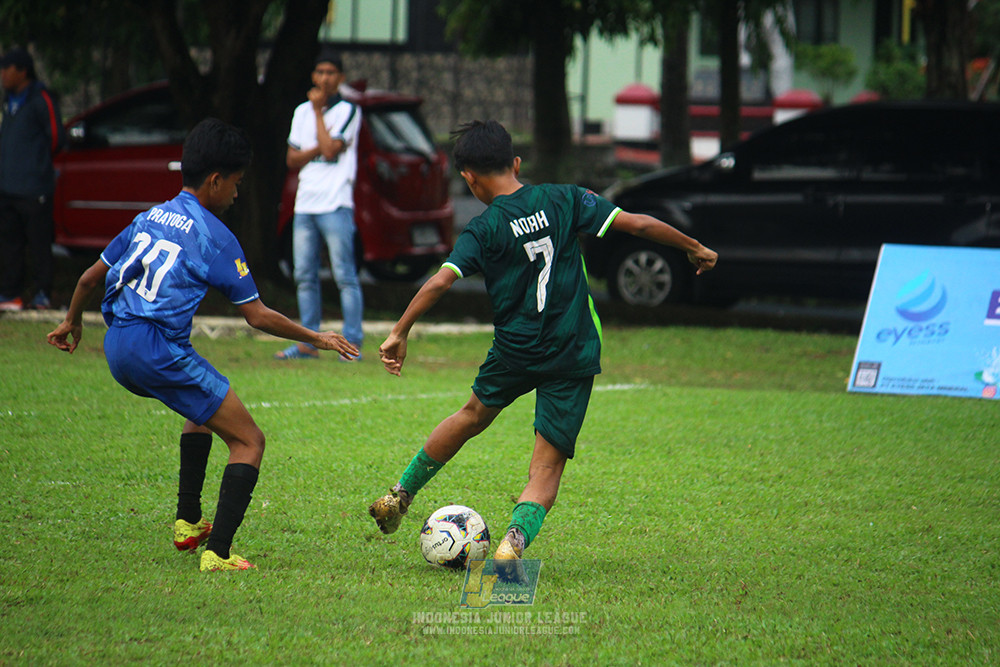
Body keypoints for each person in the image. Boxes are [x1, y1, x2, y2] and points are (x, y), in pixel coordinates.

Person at [368, 120, 718, 579]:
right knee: (546, 465)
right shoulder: (566, 198)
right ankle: (512, 546)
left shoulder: (484, 227)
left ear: (468, 178)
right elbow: (637, 224)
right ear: (515, 163)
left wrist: (400, 330)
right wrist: (693, 246)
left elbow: (439, 280)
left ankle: (400, 495)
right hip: (571, 349)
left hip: (516, 349)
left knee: (471, 415)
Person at [47, 118, 359, 572]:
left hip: (117, 346)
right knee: (249, 441)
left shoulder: (148, 216)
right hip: (157, 350)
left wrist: (72, 320)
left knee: (203, 409)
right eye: (235, 183)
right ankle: (218, 553)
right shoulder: (216, 237)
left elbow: (89, 277)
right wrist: (318, 337)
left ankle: (189, 522)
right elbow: (257, 315)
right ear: (215, 180)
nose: (237, 193)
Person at [275, 50, 364, 361]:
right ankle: (307, 342)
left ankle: (351, 344)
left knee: (344, 275)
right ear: (313, 76)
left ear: (340, 77)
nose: (325, 78)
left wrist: (317, 114)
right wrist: (316, 139)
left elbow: (329, 151)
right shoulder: (300, 111)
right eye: (320, 72)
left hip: (336, 202)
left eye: (331, 72)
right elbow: (292, 159)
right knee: (304, 274)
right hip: (305, 204)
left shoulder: (348, 111)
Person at [0, 47, 66, 311]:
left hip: (35, 187)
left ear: (22, 71)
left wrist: (36, 165)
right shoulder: (9, 101)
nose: (3, 75)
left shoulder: (41, 99)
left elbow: (56, 138)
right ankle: (11, 294)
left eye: (7, 69)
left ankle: (42, 295)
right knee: (9, 243)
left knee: (39, 243)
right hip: (8, 187)